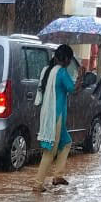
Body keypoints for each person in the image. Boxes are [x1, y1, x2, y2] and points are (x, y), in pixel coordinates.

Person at [33, 43, 78, 193]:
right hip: (56, 116)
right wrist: (82, 76)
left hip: (50, 114)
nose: (69, 63)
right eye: (70, 60)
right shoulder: (61, 73)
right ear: (65, 59)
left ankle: (58, 175)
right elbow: (74, 90)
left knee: (66, 143)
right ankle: (38, 184)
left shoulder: (47, 70)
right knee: (50, 151)